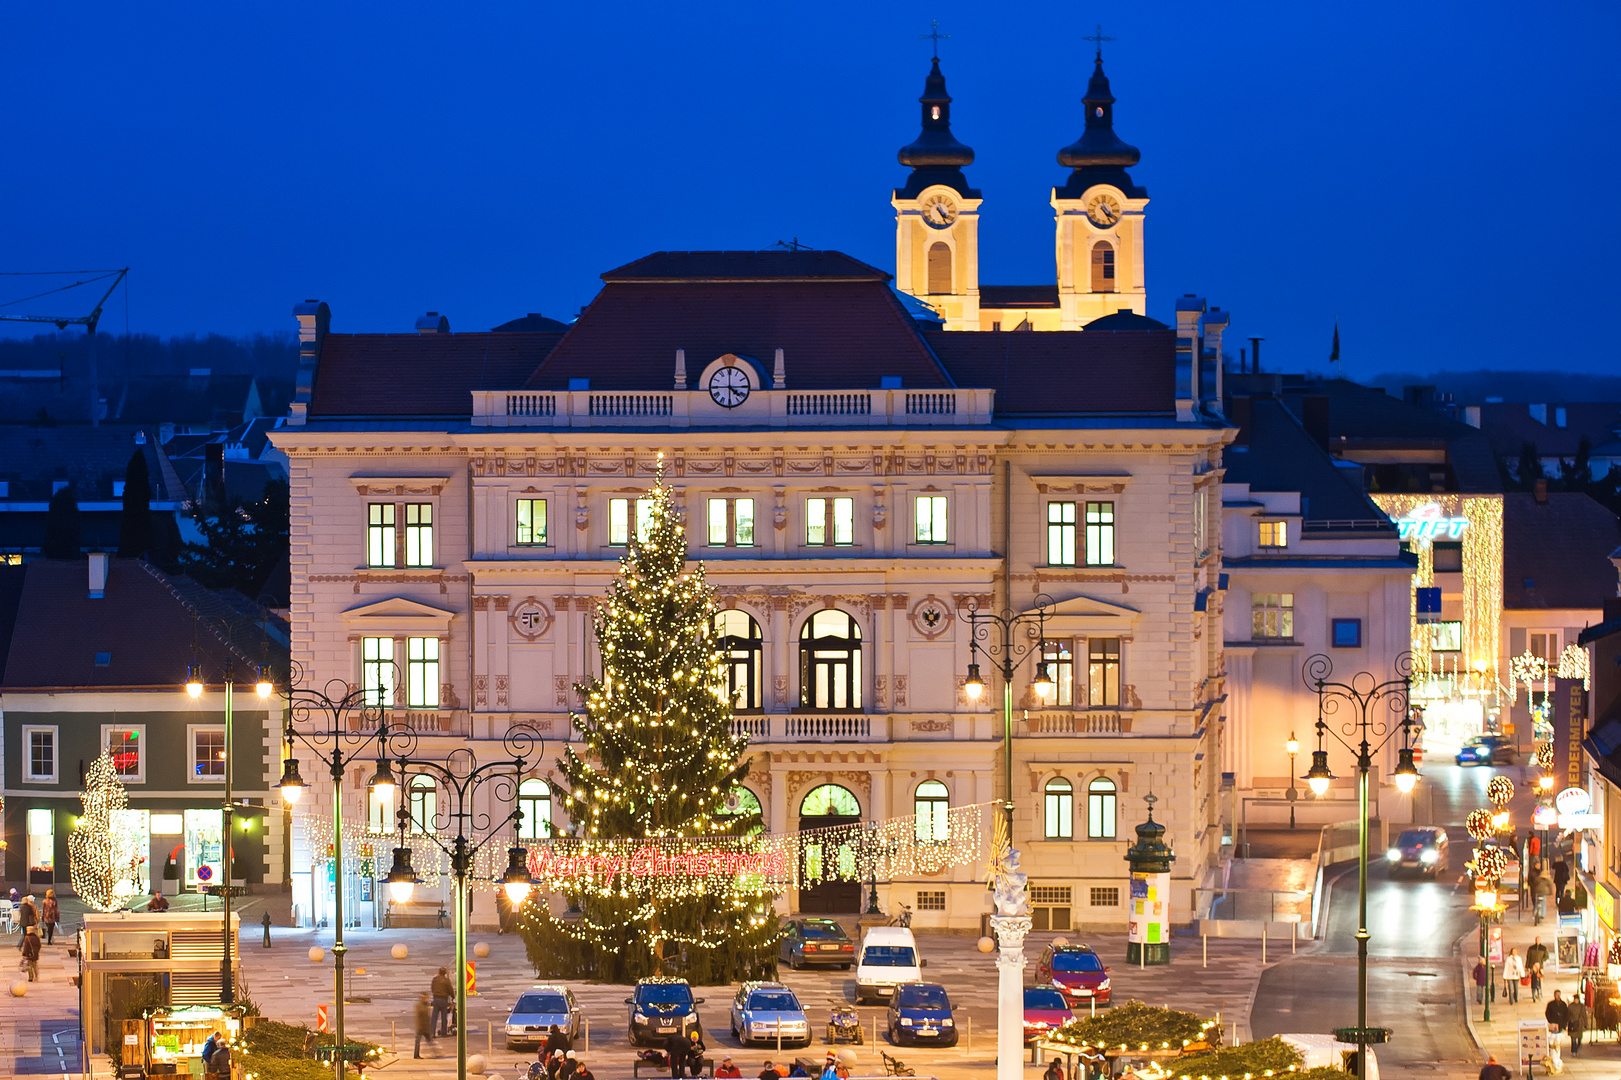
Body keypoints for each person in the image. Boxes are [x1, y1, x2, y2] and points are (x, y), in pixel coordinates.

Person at [430, 967, 454, 1038]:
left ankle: (432, 1033)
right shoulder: (446, 981)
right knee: (444, 1016)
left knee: (434, 1017)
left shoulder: (435, 979)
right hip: (444, 999)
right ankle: (444, 1032)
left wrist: (435, 993)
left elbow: (432, 988)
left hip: (436, 998)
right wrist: (453, 996)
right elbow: (450, 989)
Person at [414, 993, 434, 1058]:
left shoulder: (424, 1005)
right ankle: (416, 1055)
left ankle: (434, 1052)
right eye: (425, 998)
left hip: (424, 1027)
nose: (427, 999)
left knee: (428, 1041)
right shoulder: (421, 1006)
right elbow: (421, 1018)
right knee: (418, 1042)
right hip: (421, 1028)